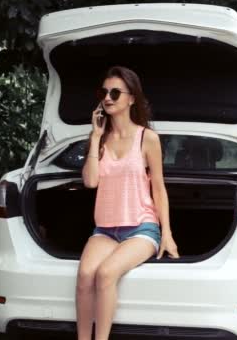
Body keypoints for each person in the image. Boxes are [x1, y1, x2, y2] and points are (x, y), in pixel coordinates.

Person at [77, 66, 180, 340]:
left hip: (141, 228)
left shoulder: (148, 138)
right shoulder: (99, 139)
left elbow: (158, 187)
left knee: (106, 273)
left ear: (131, 99)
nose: (108, 98)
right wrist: (95, 137)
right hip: (106, 229)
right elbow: (90, 182)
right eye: (103, 92)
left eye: (115, 92)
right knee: (86, 274)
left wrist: (167, 234)